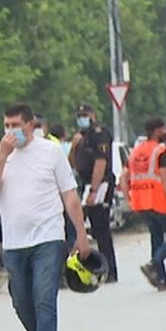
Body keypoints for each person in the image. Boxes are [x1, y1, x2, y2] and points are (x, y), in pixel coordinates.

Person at [0, 103, 91, 331]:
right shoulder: (0, 155)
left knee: (44, 297)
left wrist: (80, 233)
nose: (11, 131)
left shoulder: (50, 152)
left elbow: (70, 197)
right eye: (6, 125)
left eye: (16, 125)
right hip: (14, 242)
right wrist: (3, 155)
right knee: (21, 301)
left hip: (48, 237)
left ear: (31, 125)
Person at [126, 117, 166, 290]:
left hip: (140, 202)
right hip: (157, 200)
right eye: (164, 129)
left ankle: (161, 280)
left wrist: (129, 197)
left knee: (156, 237)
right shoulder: (160, 150)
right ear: (156, 131)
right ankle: (154, 264)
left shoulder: (136, 151)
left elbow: (124, 176)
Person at [70, 103, 120, 282]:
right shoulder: (81, 136)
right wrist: (74, 146)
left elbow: (101, 163)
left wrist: (94, 190)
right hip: (85, 183)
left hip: (100, 184)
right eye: (79, 114)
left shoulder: (99, 134)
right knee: (83, 226)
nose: (82, 118)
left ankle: (109, 270)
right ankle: (87, 267)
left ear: (93, 115)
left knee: (101, 228)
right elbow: (73, 163)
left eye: (85, 114)